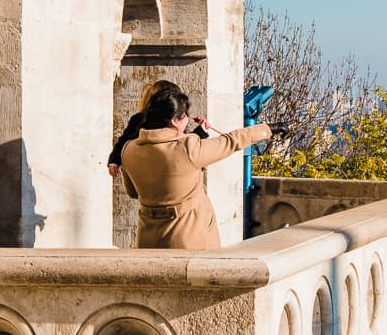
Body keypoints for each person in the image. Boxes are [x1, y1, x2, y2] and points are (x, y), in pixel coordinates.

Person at [120, 87, 289, 249]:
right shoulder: (188, 147)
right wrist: (268, 129)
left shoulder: (128, 149)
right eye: (185, 115)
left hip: (148, 239)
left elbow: (132, 192)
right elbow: (231, 141)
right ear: (174, 121)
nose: (188, 118)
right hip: (187, 237)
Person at [107, 80, 209, 177]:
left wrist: (200, 130)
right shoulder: (141, 119)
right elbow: (124, 141)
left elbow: (183, 143)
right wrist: (114, 160)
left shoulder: (172, 120)